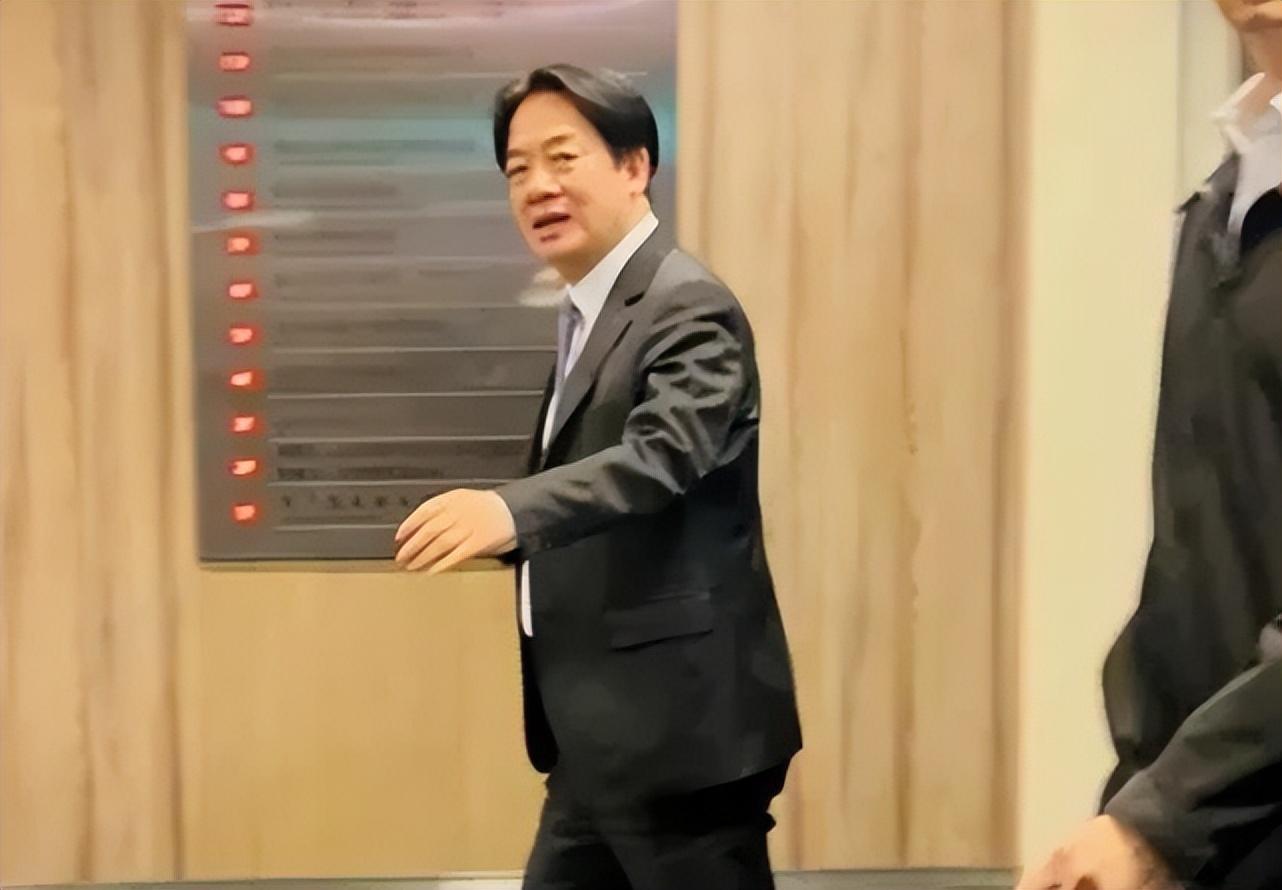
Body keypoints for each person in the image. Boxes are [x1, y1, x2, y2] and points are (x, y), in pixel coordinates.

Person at [393, 64, 802, 890]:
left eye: (562, 158)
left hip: (681, 742)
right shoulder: (590, 309)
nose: (536, 186)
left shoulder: (686, 305)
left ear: (634, 165)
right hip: (601, 739)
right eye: (517, 169)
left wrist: (512, 512)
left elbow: (662, 456)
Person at [1019, 1, 1282, 887]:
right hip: (1220, 817)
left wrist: (1163, 816)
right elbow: (1198, 547)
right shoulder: (1225, 198)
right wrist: (1141, 787)